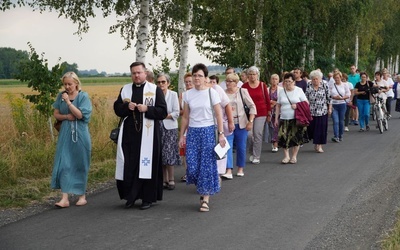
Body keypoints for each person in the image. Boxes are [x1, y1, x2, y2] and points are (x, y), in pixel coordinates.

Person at [114, 62, 167, 210]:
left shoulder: (154, 90)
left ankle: (147, 198)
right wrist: (126, 107)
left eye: (139, 72)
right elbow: (117, 109)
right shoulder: (125, 90)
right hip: (130, 136)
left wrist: (147, 109)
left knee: (147, 165)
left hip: (148, 135)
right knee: (130, 165)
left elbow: (162, 112)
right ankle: (130, 197)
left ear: (145, 73)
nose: (136, 75)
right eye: (133, 73)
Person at [179, 63, 226, 212]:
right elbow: (185, 117)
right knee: (192, 167)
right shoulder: (188, 95)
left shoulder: (212, 93)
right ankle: (207, 184)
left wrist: (221, 133)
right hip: (193, 132)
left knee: (206, 165)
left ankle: (205, 198)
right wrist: (181, 136)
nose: (196, 78)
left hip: (207, 131)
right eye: (194, 75)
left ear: (205, 78)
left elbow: (219, 114)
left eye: (200, 75)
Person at [51, 72, 92, 208]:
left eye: (70, 84)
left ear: (76, 83)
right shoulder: (60, 96)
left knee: (80, 163)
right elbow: (56, 113)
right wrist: (67, 117)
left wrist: (68, 102)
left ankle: (81, 195)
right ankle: (64, 197)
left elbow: (80, 115)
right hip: (65, 133)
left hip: (80, 134)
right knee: (64, 164)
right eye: (65, 84)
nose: (67, 87)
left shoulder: (83, 96)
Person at [221, 73, 256, 179]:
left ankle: (240, 168)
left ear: (236, 82)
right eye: (227, 81)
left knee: (241, 146)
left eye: (230, 81)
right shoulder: (223, 93)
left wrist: (250, 121)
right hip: (227, 124)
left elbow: (252, 106)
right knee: (228, 147)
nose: (228, 83)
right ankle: (228, 170)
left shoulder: (242, 91)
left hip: (241, 123)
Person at [274, 73, 309, 164]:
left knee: (295, 138)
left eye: (289, 81)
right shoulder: (281, 91)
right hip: (284, 118)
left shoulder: (299, 90)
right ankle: (286, 156)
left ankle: (294, 156)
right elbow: (278, 105)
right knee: (283, 137)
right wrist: (276, 118)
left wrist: (297, 105)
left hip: (296, 118)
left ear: (294, 82)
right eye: (286, 81)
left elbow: (306, 103)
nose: (288, 83)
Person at [241, 66, 271, 164]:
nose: (252, 76)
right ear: (247, 76)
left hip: (261, 112)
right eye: (250, 74)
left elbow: (267, 100)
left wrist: (269, 113)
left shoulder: (262, 85)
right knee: (249, 135)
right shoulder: (244, 86)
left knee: (258, 134)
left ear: (257, 75)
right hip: (248, 113)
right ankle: (251, 151)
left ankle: (256, 156)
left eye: (254, 74)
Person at [156, 73, 180, 191]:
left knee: (169, 153)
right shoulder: (154, 95)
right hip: (157, 126)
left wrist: (164, 116)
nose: (161, 84)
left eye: (163, 82)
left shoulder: (173, 95)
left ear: (168, 83)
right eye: (159, 82)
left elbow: (177, 112)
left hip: (170, 127)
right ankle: (164, 179)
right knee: (161, 153)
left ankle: (171, 179)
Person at [208, 75, 235, 176]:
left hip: (220, 123)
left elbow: (227, 104)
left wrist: (231, 122)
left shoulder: (216, 89)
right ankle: (214, 172)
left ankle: (227, 170)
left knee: (224, 147)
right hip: (207, 125)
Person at [305, 70, 332, 153]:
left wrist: (330, 108)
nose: (315, 81)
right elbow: (306, 97)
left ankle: (319, 145)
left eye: (316, 79)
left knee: (321, 128)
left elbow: (329, 97)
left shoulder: (325, 84)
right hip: (311, 111)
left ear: (320, 79)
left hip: (322, 111)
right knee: (312, 128)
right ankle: (315, 143)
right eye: (313, 79)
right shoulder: (309, 85)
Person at [179, 72, 194, 182]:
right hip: (185, 125)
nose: (188, 84)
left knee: (193, 150)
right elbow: (179, 110)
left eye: (190, 81)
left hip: (195, 125)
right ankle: (187, 172)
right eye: (186, 82)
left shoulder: (198, 94)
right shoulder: (183, 95)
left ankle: (194, 172)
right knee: (184, 150)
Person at [329, 71, 350, 142]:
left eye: (338, 77)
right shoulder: (331, 85)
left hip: (342, 104)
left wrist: (342, 98)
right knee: (335, 121)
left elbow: (348, 94)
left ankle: (340, 135)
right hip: (334, 104)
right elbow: (329, 95)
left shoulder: (345, 85)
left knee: (341, 121)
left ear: (341, 77)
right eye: (335, 78)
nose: (336, 79)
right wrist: (334, 97)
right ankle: (336, 136)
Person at [267, 74, 283, 152]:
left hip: (278, 112)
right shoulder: (267, 89)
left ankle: (276, 142)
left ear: (278, 80)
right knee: (272, 128)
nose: (274, 80)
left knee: (277, 127)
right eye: (273, 79)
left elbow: (283, 101)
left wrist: (275, 103)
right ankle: (274, 142)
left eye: (276, 79)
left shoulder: (281, 89)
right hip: (269, 111)